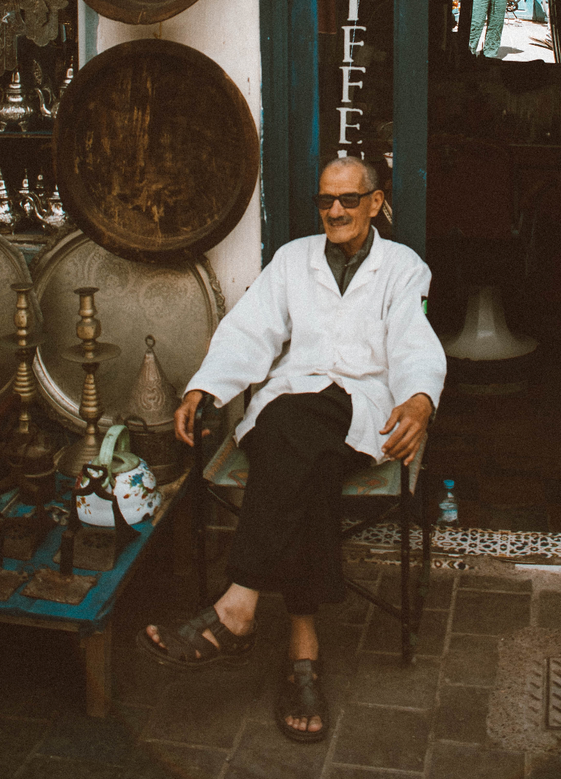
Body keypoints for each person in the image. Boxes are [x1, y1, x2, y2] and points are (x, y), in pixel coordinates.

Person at [138, 156, 446, 744]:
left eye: (349, 200)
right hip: (291, 414)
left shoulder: (403, 268)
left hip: (362, 411)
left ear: (376, 203)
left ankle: (238, 606)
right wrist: (205, 385)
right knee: (301, 452)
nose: (335, 211)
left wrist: (419, 398)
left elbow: (414, 338)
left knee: (293, 427)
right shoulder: (291, 260)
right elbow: (249, 329)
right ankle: (301, 658)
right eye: (325, 200)